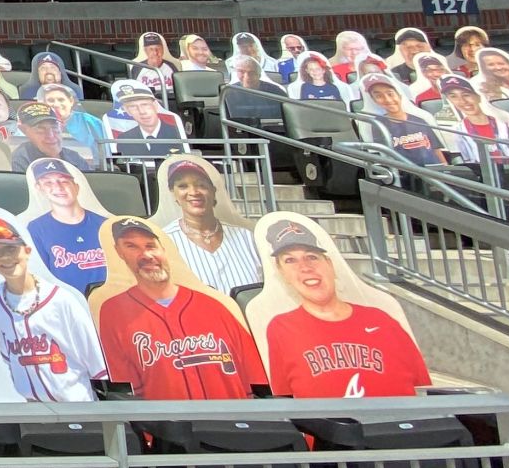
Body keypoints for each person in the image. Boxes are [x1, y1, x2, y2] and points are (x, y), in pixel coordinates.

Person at [254, 218, 429, 399]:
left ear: (329, 264)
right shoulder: (281, 328)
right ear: (282, 273)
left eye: (312, 257)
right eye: (290, 260)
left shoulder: (381, 320)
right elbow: (284, 398)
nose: (305, 267)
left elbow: (422, 390)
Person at [94, 218, 266, 401]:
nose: (146, 255)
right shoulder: (113, 312)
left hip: (235, 418)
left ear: (163, 249)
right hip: (167, 419)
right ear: (119, 252)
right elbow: (124, 394)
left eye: (150, 246)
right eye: (132, 246)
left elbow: (257, 382)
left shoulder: (215, 306)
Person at [0, 212, 106, 402]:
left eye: (10, 248)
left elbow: (98, 365)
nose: (4, 257)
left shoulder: (61, 300)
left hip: (78, 408)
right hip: (33, 413)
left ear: (27, 250)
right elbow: (10, 358)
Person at [154, 155, 263, 295]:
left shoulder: (246, 238)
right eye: (183, 186)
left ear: (213, 191)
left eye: (201, 185)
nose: (194, 192)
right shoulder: (164, 243)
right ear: (173, 194)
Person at [21, 157, 109, 294]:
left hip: (107, 301)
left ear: (76, 187)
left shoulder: (105, 224)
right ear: (39, 189)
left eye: (64, 181)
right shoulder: (36, 229)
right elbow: (40, 278)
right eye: (48, 183)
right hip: (66, 302)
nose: (58, 187)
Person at [357, 73, 448, 166]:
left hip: (434, 170)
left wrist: (446, 168)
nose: (388, 100)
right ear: (374, 101)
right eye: (379, 96)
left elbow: (436, 150)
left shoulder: (420, 120)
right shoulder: (378, 125)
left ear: (399, 96)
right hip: (406, 172)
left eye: (390, 94)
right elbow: (385, 157)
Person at [434, 74, 509, 164]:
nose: (462, 101)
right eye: (453, 97)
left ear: (478, 97)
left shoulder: (505, 124)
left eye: (466, 95)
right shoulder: (457, 131)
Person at [10, 100, 95, 172]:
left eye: (54, 127)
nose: (50, 135)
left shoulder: (74, 157)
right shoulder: (20, 160)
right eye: (40, 129)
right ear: (24, 130)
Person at [106, 83, 186, 158]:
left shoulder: (175, 132)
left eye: (145, 105)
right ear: (127, 111)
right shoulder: (124, 138)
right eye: (133, 107)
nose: (142, 112)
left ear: (155, 105)